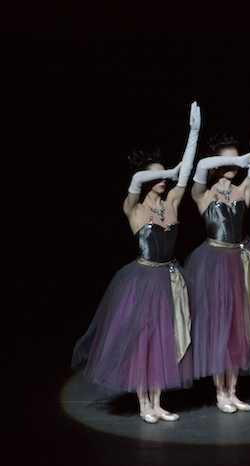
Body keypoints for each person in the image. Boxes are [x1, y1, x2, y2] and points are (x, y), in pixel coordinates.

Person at [72, 102, 201, 423]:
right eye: (155, 177)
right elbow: (138, 180)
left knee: (164, 338)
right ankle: (143, 403)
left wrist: (193, 134)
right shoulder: (134, 208)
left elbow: (185, 173)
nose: (163, 181)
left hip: (171, 276)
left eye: (164, 177)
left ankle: (156, 402)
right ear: (145, 180)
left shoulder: (171, 202)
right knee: (143, 338)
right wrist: (163, 170)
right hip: (142, 279)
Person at [184, 94, 250, 413]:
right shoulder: (202, 192)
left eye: (236, 160)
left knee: (240, 325)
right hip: (213, 262)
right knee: (218, 327)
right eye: (225, 161)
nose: (234, 165)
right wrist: (229, 157)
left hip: (243, 260)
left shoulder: (243, 191)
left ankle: (233, 390)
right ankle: (219, 392)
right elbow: (200, 166)